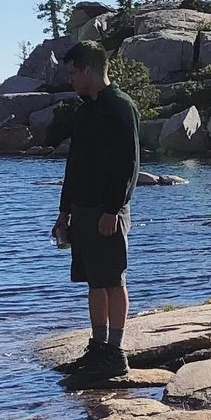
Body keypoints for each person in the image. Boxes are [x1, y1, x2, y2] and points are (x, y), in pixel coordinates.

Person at [50, 41, 141, 384]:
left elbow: (128, 165)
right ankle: (98, 348)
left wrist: (112, 210)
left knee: (113, 280)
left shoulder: (120, 106)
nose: (70, 79)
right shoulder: (85, 111)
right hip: (83, 211)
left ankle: (115, 355)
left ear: (88, 70)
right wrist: (63, 212)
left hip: (107, 212)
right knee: (94, 281)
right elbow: (74, 166)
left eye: (72, 73)